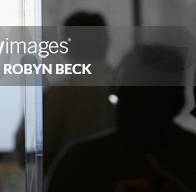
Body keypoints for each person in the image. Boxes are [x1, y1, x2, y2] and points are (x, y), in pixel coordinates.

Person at [47, 44, 196, 192]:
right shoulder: (77, 161)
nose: (132, 107)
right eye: (129, 95)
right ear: (180, 101)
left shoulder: (79, 161)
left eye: (145, 98)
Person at [14, 11, 115, 173]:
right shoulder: (127, 90)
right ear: (106, 42)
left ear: (67, 47)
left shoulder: (57, 96)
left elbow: (24, 153)